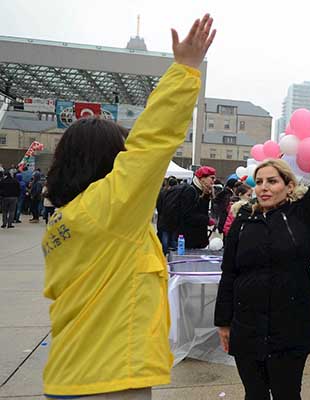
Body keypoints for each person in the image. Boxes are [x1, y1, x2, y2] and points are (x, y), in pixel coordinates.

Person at [41, 14, 215, 399]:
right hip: (106, 380)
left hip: (74, 372)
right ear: (109, 161)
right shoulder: (109, 208)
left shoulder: (64, 220)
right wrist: (186, 70)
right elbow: (151, 141)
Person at [214, 94, 310, 399]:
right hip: (247, 330)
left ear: (288, 186)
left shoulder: (302, 214)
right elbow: (229, 273)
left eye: (272, 181)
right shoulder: (243, 220)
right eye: (260, 181)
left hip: (289, 331)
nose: (264, 187)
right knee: (255, 395)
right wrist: (223, 322)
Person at [176, 165, 216, 249]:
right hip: (189, 239)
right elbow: (187, 215)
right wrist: (207, 220)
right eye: (211, 178)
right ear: (202, 179)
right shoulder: (190, 191)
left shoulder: (203, 191)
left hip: (198, 238)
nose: (213, 181)